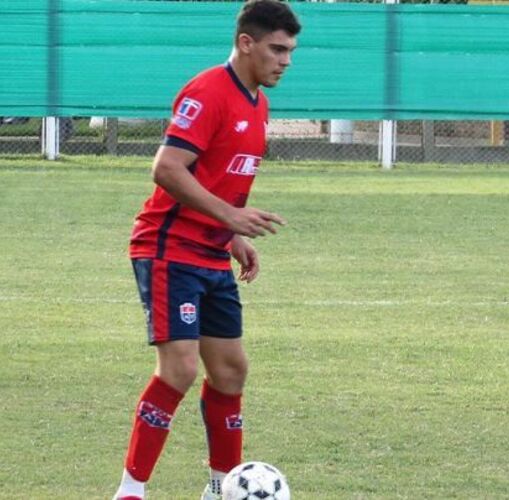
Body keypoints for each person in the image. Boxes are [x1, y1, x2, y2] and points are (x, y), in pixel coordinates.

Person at [113, 1, 300, 499]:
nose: (285, 61)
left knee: (231, 370)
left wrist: (233, 235)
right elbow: (168, 169)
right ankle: (130, 490)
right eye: (277, 49)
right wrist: (229, 217)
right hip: (169, 247)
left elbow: (214, 177)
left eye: (290, 52)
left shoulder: (258, 103)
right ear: (246, 43)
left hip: (211, 252)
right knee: (179, 368)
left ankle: (223, 488)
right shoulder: (208, 91)